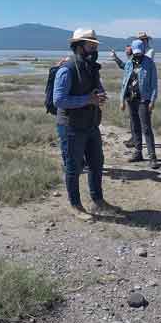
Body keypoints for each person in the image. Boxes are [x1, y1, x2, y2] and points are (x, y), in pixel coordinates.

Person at [53, 28, 122, 220]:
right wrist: (87, 100)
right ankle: (75, 205)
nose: (94, 48)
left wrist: (99, 94)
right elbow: (58, 100)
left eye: (94, 45)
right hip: (71, 126)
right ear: (79, 46)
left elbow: (96, 88)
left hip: (91, 125)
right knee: (73, 167)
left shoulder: (91, 67)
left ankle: (97, 200)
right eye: (90, 45)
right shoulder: (66, 69)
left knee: (96, 164)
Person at [120, 39, 159, 169]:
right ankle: (138, 152)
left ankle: (152, 157)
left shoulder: (149, 64)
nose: (137, 54)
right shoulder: (129, 63)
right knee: (135, 126)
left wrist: (152, 101)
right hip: (131, 99)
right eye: (135, 52)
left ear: (143, 50)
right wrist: (122, 100)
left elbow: (154, 84)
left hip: (144, 99)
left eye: (139, 52)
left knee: (146, 128)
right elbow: (125, 82)